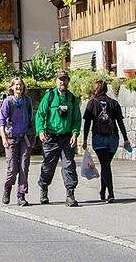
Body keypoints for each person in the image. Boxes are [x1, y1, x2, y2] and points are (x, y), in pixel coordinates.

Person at [35, 70, 82, 207]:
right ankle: (44, 190)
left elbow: (76, 119)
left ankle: (70, 194)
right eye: (60, 79)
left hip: (67, 137)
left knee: (69, 166)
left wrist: (75, 133)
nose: (62, 82)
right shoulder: (49, 96)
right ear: (56, 81)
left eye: (65, 79)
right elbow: (40, 115)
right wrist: (41, 131)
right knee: (48, 166)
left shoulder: (72, 98)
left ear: (68, 81)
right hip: (51, 138)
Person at [82, 79, 131, 203]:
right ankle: (103, 190)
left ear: (95, 90)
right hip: (113, 138)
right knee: (106, 165)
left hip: (99, 138)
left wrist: (84, 140)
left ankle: (111, 193)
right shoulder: (114, 103)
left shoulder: (92, 103)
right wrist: (125, 139)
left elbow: (87, 123)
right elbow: (120, 122)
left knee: (105, 165)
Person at [0, 76, 35, 206]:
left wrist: (33, 136)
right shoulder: (8, 102)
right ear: (12, 87)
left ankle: (21, 195)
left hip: (24, 138)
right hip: (11, 139)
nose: (19, 87)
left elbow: (31, 120)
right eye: (16, 85)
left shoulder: (27, 101)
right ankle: (7, 188)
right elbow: (1, 121)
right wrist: (4, 138)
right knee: (12, 169)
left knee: (24, 167)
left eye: (21, 85)